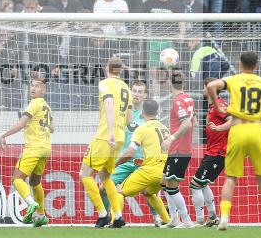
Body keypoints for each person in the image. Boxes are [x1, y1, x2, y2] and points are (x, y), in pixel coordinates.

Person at [205, 51, 261, 231]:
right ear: (257, 66)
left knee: (230, 177)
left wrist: (217, 106)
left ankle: (224, 218)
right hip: (256, 128)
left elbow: (212, 86)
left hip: (238, 129)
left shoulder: (234, 79)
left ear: (240, 64)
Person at [80, 56, 132, 228]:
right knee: (105, 176)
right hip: (119, 137)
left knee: (84, 174)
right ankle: (117, 216)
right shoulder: (126, 88)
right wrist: (117, 132)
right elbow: (129, 118)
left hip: (105, 136)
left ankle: (102, 214)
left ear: (107, 67)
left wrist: (109, 131)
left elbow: (109, 104)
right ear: (121, 70)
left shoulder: (104, 83)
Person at [0, 75, 54, 228]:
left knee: (17, 179)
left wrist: (4, 135)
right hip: (46, 148)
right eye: (32, 85)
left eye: (37, 86)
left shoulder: (34, 103)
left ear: (43, 90)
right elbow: (53, 128)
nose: (33, 88)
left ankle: (30, 203)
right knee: (35, 182)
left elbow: (22, 123)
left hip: (33, 148)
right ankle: (41, 215)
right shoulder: (46, 106)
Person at [114, 98, 172, 226]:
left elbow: (129, 153)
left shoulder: (141, 129)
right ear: (157, 111)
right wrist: (145, 161)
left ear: (142, 112)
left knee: (119, 191)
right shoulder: (165, 128)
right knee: (149, 193)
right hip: (164, 171)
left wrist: (116, 164)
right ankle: (167, 221)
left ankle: (115, 221)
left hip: (150, 171)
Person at [160, 71, 197, 228]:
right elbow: (193, 120)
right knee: (164, 181)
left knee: (172, 186)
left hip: (179, 150)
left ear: (170, 83)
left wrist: (172, 138)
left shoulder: (177, 101)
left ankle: (186, 220)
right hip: (181, 148)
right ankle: (174, 219)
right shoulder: (188, 98)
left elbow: (187, 123)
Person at [190, 79, 228, 227]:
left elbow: (233, 121)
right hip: (212, 151)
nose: (202, 89)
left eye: (204, 87)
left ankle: (200, 220)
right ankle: (212, 216)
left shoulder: (219, 106)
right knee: (202, 184)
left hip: (218, 153)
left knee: (194, 185)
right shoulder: (213, 106)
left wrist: (218, 129)